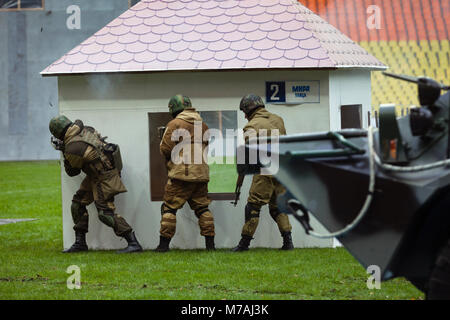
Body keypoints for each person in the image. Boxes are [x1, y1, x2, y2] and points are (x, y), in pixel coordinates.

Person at [49, 115, 142, 253]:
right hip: (99, 173)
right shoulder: (86, 129)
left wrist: (63, 150)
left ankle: (133, 243)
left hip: (104, 177)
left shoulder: (72, 147)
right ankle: (80, 243)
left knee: (105, 213)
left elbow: (72, 171)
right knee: (78, 203)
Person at [232, 94, 294, 252]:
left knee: (253, 207)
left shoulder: (251, 126)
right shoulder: (279, 119)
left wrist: (240, 180)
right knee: (277, 207)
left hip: (264, 171)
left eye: (244, 112)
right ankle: (288, 243)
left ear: (249, 109)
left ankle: (243, 244)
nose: (244, 116)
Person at [155, 94, 215, 252]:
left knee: (169, 208)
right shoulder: (203, 125)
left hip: (181, 174)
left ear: (173, 108)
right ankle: (210, 246)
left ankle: (163, 247)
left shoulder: (175, 123)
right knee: (202, 208)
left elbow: (166, 149)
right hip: (201, 174)